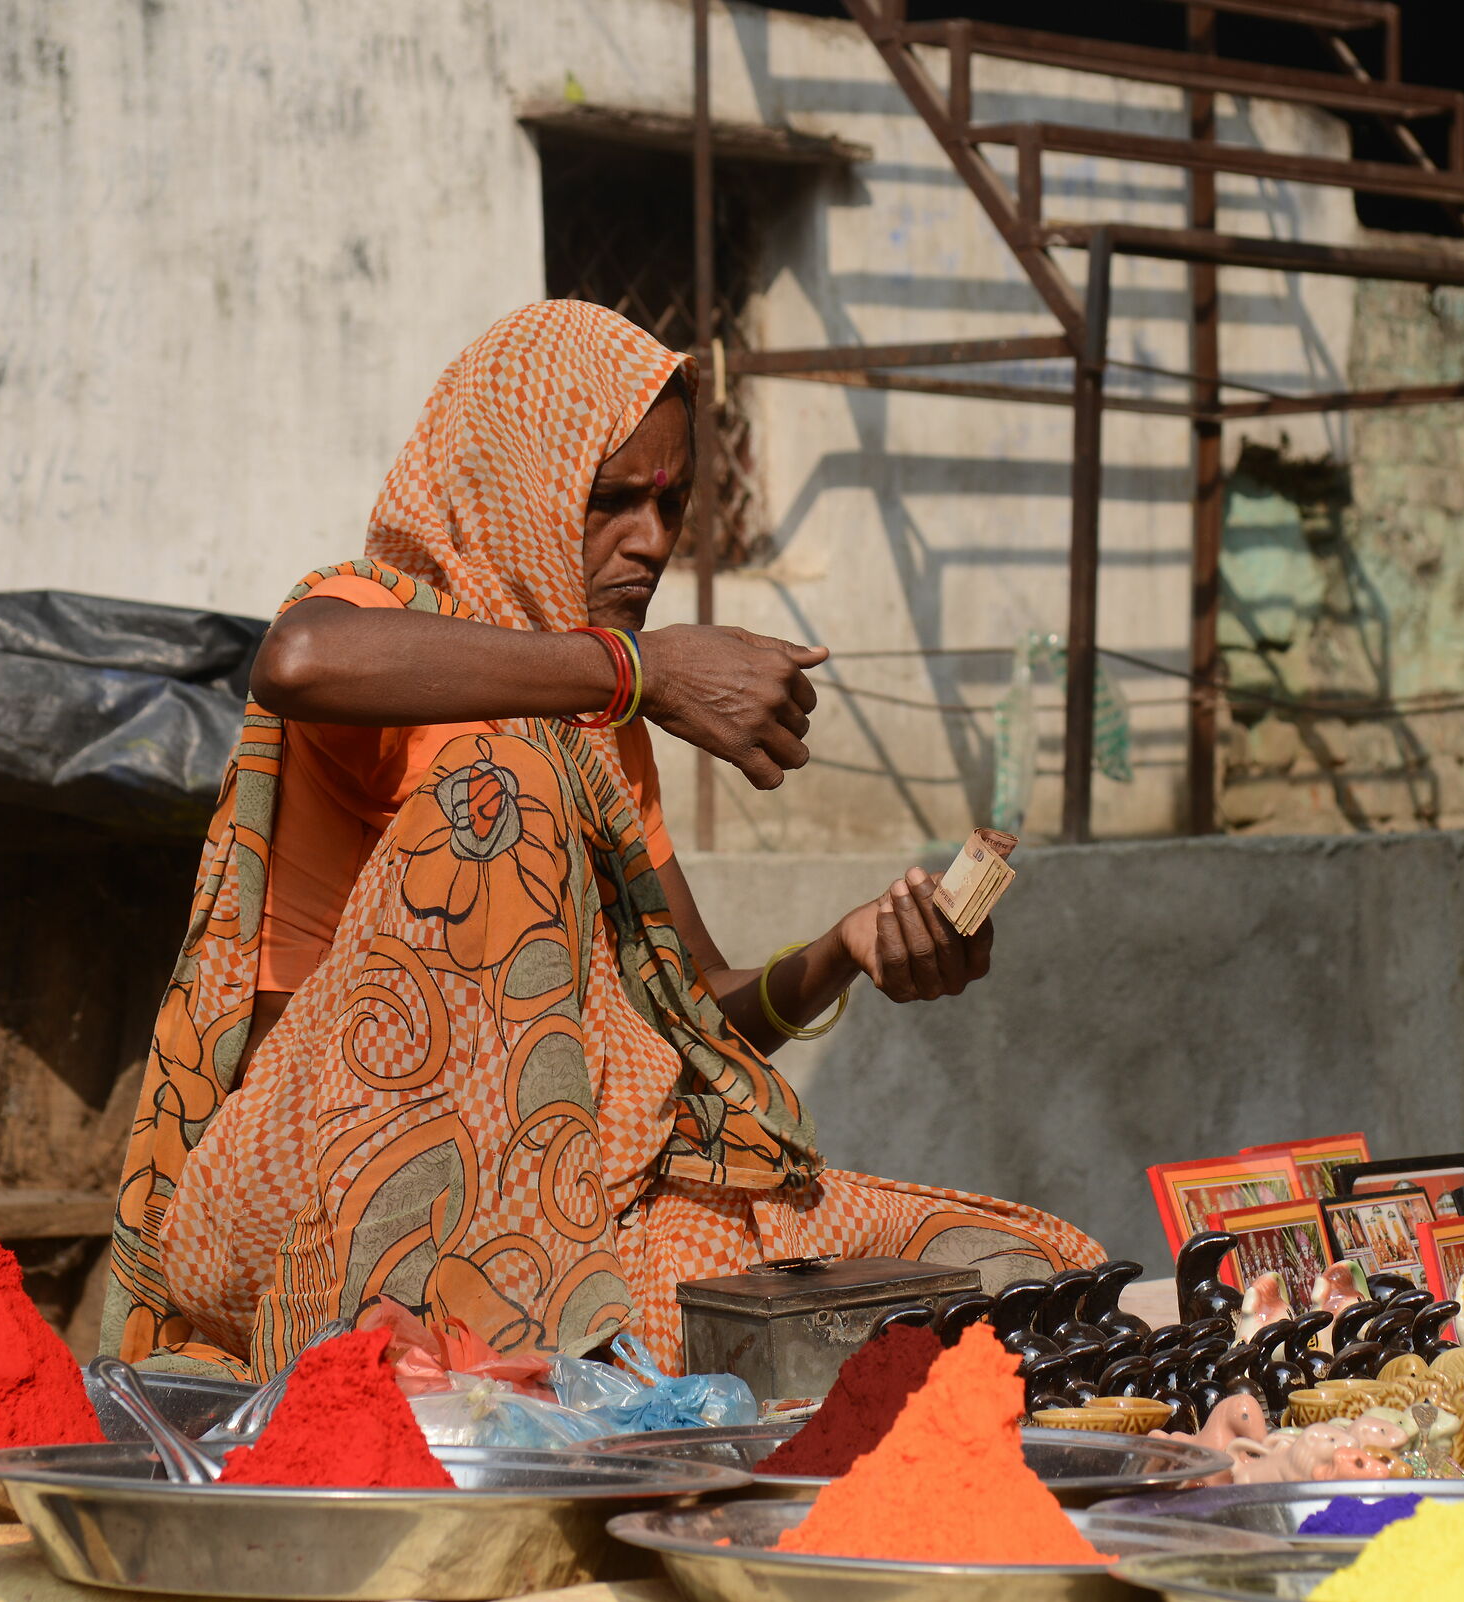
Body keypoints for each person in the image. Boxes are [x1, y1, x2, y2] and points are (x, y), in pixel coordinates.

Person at [104, 302, 1100, 1377]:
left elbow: (688, 1017)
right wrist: (640, 672)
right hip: (304, 1202)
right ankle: (432, 1367)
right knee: (508, 784)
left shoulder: (598, 729)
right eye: (611, 502)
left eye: (670, 504)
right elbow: (297, 659)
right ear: (515, 484)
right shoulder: (394, 623)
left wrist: (842, 951)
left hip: (564, 1218)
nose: (653, 541)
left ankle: (542, 1358)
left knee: (1003, 1279)